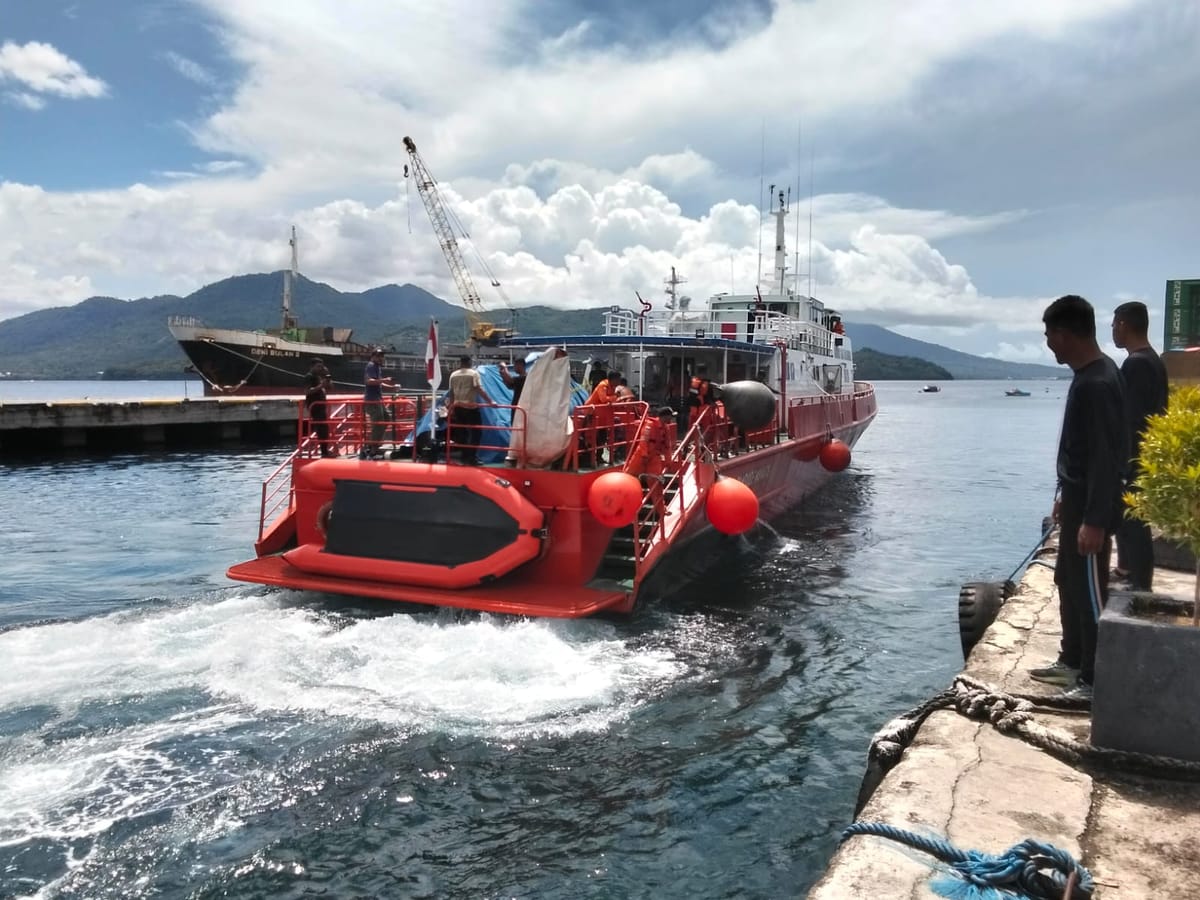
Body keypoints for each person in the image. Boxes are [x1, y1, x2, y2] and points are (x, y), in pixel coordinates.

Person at [1030, 295, 1128, 703]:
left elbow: (1107, 458)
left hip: (1091, 505)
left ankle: (1091, 681)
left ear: (1066, 335)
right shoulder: (1087, 375)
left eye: (1050, 334)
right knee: (1067, 579)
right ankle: (1071, 659)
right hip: (1074, 498)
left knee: (1091, 589)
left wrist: (1095, 519)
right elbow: (1079, 449)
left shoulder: (1100, 382)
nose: (1048, 342)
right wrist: (1062, 496)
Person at [1111, 300, 1169, 590]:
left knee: (1134, 520)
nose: (1112, 331)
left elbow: (1130, 418)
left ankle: (1140, 581)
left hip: (1135, 455)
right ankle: (1126, 570)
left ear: (1123, 324)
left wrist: (1121, 461)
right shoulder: (1153, 360)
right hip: (1145, 451)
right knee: (1130, 517)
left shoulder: (1136, 364)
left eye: (1113, 325)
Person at [628, 406, 678, 518]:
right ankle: (625, 506)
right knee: (628, 477)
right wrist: (645, 454)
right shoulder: (649, 425)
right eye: (670, 416)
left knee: (656, 484)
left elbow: (667, 446)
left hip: (654, 457)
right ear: (664, 416)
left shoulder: (666, 429)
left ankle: (661, 510)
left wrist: (668, 461)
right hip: (641, 456)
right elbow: (643, 440)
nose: (672, 419)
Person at [446, 355, 493, 465]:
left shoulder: (453, 375)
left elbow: (451, 392)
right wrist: (490, 401)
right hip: (470, 407)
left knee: (461, 432)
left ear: (460, 362)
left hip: (457, 407)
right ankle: (472, 457)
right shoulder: (473, 373)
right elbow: (479, 389)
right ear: (469, 362)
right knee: (476, 432)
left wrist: (451, 408)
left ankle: (464, 455)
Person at [362, 348, 395, 458]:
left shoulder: (377, 367)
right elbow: (369, 381)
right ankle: (372, 447)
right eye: (379, 356)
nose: (381, 358)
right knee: (378, 422)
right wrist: (384, 380)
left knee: (386, 419)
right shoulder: (371, 366)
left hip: (378, 399)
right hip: (372, 400)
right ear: (373, 357)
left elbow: (378, 383)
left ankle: (373, 443)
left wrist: (391, 387)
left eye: (382, 356)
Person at [304, 358, 335, 457]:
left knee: (324, 429)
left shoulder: (320, 376)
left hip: (321, 405)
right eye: (318, 366)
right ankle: (324, 452)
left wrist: (327, 376)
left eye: (321, 367)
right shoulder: (309, 377)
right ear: (312, 366)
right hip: (315, 405)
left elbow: (330, 387)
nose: (320, 368)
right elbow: (307, 391)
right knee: (321, 429)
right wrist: (321, 386)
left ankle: (325, 450)